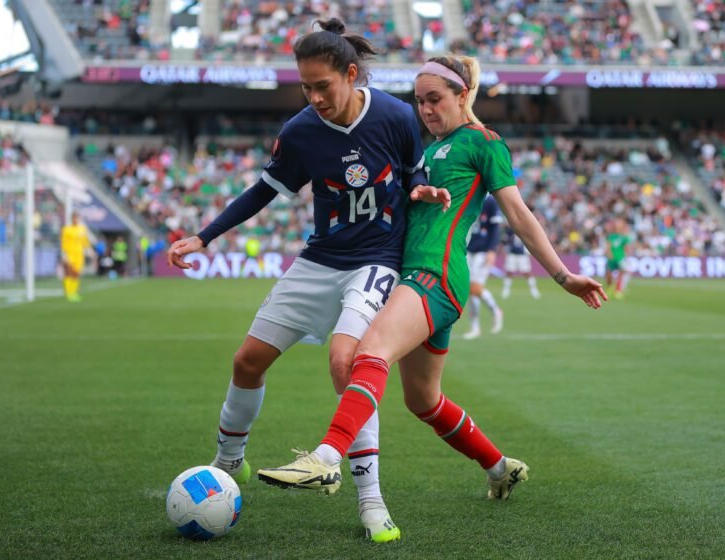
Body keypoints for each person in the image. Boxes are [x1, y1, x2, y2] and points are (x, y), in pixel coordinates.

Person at [257, 55, 607, 522]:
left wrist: (563, 276)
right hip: (409, 277)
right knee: (422, 399)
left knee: (371, 350)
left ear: (463, 95)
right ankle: (500, 467)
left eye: (435, 99)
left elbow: (519, 216)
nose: (424, 109)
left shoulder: (484, 143)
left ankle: (325, 459)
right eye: (419, 100)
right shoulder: (423, 148)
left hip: (436, 277)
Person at [166, 18, 447, 544]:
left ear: (351, 73)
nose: (314, 97)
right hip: (320, 260)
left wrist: (424, 191)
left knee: (347, 363)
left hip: (376, 262)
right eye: (305, 87)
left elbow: (416, 172)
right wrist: (204, 237)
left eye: (323, 86)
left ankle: (371, 501)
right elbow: (261, 192)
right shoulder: (299, 132)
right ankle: (230, 462)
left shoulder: (393, 114)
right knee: (246, 361)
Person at [463, 194, 504, 339]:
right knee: (470, 288)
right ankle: (494, 312)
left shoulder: (490, 201)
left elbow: (495, 229)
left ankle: (477, 325)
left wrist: (492, 250)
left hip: (483, 251)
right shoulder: (470, 197)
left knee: (474, 288)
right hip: (468, 249)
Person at [501, 226, 541, 299]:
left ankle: (533, 290)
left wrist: (528, 250)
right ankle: (506, 290)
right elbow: (504, 241)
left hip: (522, 254)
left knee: (527, 272)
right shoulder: (510, 230)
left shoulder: (524, 228)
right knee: (509, 272)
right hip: (512, 254)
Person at [60, 211, 90, 302]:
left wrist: (89, 250)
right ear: (71, 219)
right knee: (69, 272)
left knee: (76, 274)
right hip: (70, 254)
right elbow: (64, 243)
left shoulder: (82, 229)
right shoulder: (66, 229)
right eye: (74, 218)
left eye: (77, 218)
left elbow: (85, 241)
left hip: (79, 255)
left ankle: (74, 292)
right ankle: (69, 293)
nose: (75, 220)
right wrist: (65, 254)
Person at [605, 218, 631, 299]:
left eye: (619, 224)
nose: (617, 226)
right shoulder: (611, 236)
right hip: (612, 258)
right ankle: (609, 288)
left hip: (620, 258)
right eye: (616, 224)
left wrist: (625, 257)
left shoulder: (624, 237)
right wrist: (609, 254)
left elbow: (626, 248)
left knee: (621, 274)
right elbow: (608, 246)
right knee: (608, 274)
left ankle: (618, 291)